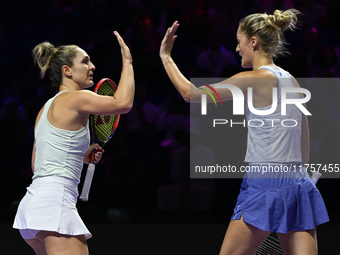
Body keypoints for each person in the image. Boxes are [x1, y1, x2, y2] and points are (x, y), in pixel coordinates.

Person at [159, 9, 329, 255]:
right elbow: (304, 135)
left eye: (239, 42)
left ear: (253, 42)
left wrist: (165, 57)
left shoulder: (252, 79)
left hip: (264, 182)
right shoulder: (292, 80)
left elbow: (190, 94)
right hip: (298, 183)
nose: (237, 49)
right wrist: (301, 178)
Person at [13, 31, 134, 255]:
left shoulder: (45, 109)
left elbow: (37, 163)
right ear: (66, 71)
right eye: (85, 61)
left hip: (32, 208)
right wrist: (127, 62)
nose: (93, 66)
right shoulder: (76, 98)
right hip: (54, 206)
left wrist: (81, 154)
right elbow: (124, 103)